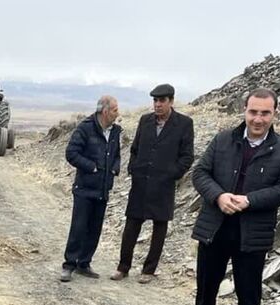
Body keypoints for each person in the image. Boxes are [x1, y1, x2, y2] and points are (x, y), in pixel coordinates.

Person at [186, 89, 280, 305]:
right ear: (244, 110)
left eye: (265, 113)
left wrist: (249, 201)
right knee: (206, 288)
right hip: (216, 226)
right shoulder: (223, 140)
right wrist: (219, 197)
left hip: (253, 233)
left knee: (249, 294)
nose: (258, 119)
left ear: (275, 113)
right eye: (253, 112)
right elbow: (200, 173)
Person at [111, 84, 195, 283]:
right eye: (155, 101)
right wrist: (134, 168)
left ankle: (149, 270)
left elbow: (187, 156)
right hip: (141, 182)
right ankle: (123, 267)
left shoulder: (184, 123)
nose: (157, 104)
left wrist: (171, 174)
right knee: (131, 225)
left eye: (162, 101)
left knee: (159, 227)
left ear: (171, 101)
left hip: (163, 185)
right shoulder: (145, 120)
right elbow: (135, 148)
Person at [61, 95, 121, 282]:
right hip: (84, 188)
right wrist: (91, 166)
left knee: (95, 228)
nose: (117, 113)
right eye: (115, 110)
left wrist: (115, 168)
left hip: (103, 188)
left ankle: (84, 263)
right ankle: (69, 265)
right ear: (105, 111)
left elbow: (116, 154)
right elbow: (71, 153)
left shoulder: (115, 131)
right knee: (79, 227)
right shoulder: (85, 128)